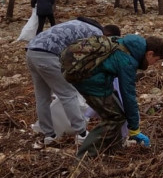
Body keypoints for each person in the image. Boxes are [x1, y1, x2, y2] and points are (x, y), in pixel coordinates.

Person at [26, 18, 121, 146]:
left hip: (32, 51)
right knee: (68, 93)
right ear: (108, 35)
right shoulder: (97, 34)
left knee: (42, 97)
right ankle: (81, 133)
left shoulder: (79, 24)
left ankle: (49, 135)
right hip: (48, 55)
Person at [74, 35, 163, 158]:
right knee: (115, 117)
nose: (154, 64)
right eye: (156, 60)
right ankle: (84, 157)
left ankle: (114, 150)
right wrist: (134, 128)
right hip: (89, 80)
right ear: (150, 54)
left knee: (118, 112)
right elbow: (128, 95)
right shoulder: (129, 60)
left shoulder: (128, 46)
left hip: (92, 77)